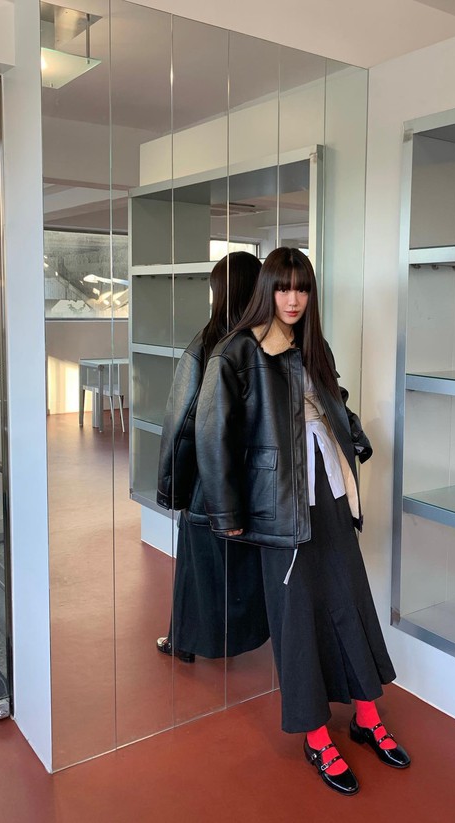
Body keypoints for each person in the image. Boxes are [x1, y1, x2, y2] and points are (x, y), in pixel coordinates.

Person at [195, 247, 410, 796]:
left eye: (303, 288)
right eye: (284, 287)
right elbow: (212, 436)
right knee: (296, 617)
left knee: (349, 597)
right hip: (278, 502)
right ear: (267, 289)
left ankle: (366, 714)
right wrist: (226, 512)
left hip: (329, 487)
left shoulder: (313, 345)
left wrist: (354, 434)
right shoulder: (237, 352)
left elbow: (331, 401)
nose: (293, 299)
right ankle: (316, 734)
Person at [155, 251, 269, 662]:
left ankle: (183, 641)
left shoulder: (208, 345)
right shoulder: (269, 344)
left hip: (212, 480)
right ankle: (250, 636)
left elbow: (183, 423)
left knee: (197, 566)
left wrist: (172, 488)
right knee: (250, 568)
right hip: (261, 480)